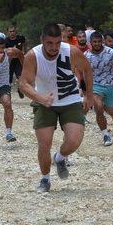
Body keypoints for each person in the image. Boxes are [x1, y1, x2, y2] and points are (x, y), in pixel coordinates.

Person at [20, 23, 94, 193]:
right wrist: (39, 97)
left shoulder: (71, 51)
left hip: (70, 99)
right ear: (42, 41)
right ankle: (45, 179)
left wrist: (89, 95)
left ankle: (60, 158)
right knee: (44, 144)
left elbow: (87, 70)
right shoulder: (33, 55)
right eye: (49, 43)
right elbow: (24, 84)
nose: (54, 48)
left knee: (74, 141)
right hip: (44, 103)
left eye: (57, 43)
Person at [86, 32, 113, 145]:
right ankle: (105, 135)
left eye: (99, 41)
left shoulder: (111, 53)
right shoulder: (86, 56)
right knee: (98, 107)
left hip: (110, 84)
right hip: (95, 85)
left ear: (102, 42)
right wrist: (85, 90)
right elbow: (84, 72)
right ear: (90, 42)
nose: (97, 44)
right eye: (94, 42)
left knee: (111, 110)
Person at [5, 26, 26, 99]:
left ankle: (20, 89)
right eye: (10, 31)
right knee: (8, 78)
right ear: (7, 32)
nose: (12, 33)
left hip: (19, 60)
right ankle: (7, 93)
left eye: (13, 31)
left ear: (16, 32)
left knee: (20, 76)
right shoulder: (6, 41)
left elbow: (24, 44)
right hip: (10, 61)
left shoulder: (20, 38)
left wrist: (23, 52)